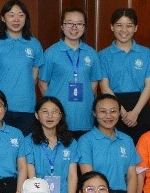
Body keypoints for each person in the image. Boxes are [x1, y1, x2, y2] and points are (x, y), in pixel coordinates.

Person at [39, 7, 107, 135]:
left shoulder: (92, 53)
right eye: (69, 23)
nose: (74, 27)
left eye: (79, 24)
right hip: (58, 117)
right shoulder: (51, 53)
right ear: (62, 26)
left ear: (84, 27)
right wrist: (51, 107)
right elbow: (43, 83)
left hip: (84, 115)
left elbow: (94, 84)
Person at [99, 8, 150, 143]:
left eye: (129, 26)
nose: (124, 30)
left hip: (140, 106)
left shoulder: (147, 54)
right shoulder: (102, 55)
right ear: (112, 27)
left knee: (140, 148)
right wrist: (121, 112)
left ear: (136, 28)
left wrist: (135, 113)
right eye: (119, 25)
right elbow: (104, 87)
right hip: (112, 107)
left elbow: (149, 87)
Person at [0, 0, 42, 134]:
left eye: (21, 15)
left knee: (24, 144)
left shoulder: (34, 44)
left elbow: (34, 78)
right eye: (11, 15)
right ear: (3, 18)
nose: (16, 19)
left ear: (26, 18)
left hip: (26, 107)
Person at [26, 97, 79, 193]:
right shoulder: (28, 141)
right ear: (37, 115)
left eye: (54, 112)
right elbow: (32, 178)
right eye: (45, 111)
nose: (50, 116)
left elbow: (72, 175)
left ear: (61, 115)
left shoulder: (71, 142)